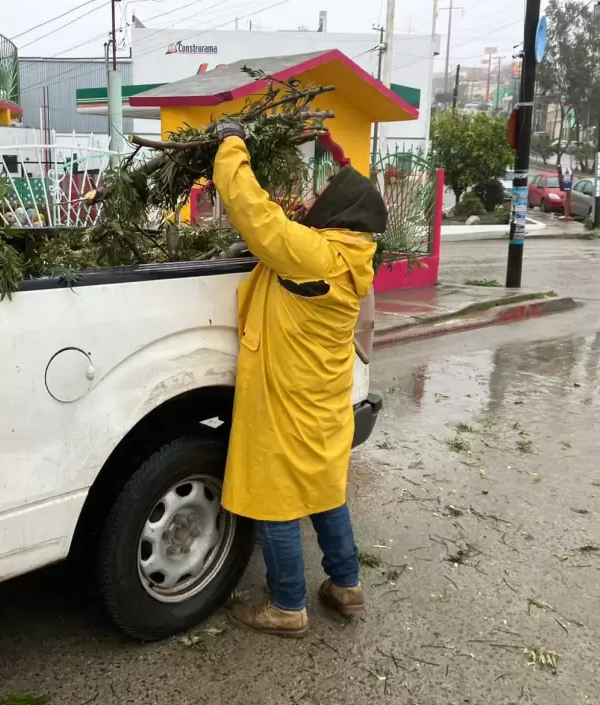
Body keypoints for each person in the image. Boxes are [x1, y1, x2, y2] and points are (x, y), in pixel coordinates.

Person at [211, 119, 388, 638]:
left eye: (319, 202)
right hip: (325, 399)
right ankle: (346, 585)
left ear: (336, 214)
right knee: (325, 491)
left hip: (285, 398)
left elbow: (251, 210)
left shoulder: (314, 255)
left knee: (275, 497)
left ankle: (287, 606)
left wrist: (231, 142)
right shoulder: (354, 260)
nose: (311, 208)